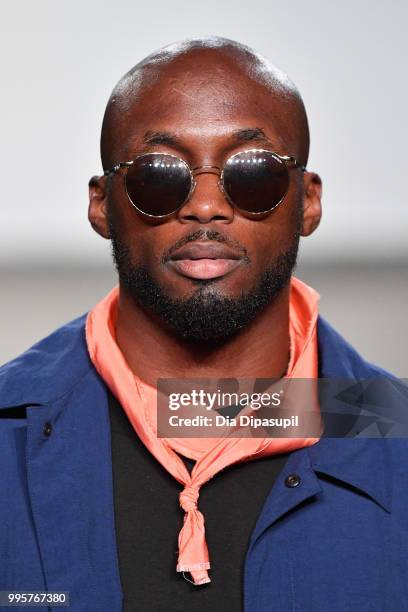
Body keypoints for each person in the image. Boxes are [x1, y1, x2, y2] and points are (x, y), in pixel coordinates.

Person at [0, 36, 407, 612]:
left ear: (309, 202)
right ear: (101, 205)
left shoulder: (397, 433)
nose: (207, 207)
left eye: (254, 172)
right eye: (160, 174)